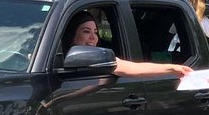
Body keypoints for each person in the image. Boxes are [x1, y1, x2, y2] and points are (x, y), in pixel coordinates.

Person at [64, 11, 192, 78]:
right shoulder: (54, 57)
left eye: (96, 32)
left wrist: (173, 69)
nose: (93, 37)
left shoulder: (100, 59)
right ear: (71, 34)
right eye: (86, 31)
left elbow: (134, 67)